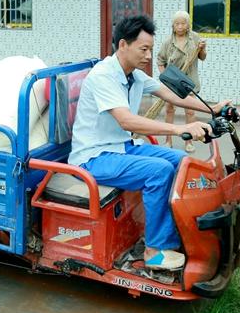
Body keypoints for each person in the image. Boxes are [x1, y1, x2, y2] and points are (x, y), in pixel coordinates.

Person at [69, 15, 231, 271]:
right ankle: (155, 250)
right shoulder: (104, 75)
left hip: (121, 148)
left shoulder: (134, 75)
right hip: (93, 158)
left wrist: (213, 108)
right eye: (143, 49)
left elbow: (174, 96)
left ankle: (171, 227)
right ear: (123, 45)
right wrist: (180, 128)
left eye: (150, 50)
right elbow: (127, 121)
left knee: (182, 161)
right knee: (159, 171)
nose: (148, 56)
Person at [156, 11, 207, 153]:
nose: (180, 26)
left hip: (188, 82)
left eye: (183, 23)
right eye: (177, 23)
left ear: (188, 24)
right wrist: (165, 77)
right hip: (173, 84)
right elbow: (160, 60)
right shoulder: (168, 42)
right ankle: (168, 140)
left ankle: (189, 142)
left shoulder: (195, 38)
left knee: (190, 112)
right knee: (169, 110)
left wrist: (202, 49)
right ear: (173, 25)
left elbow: (202, 57)